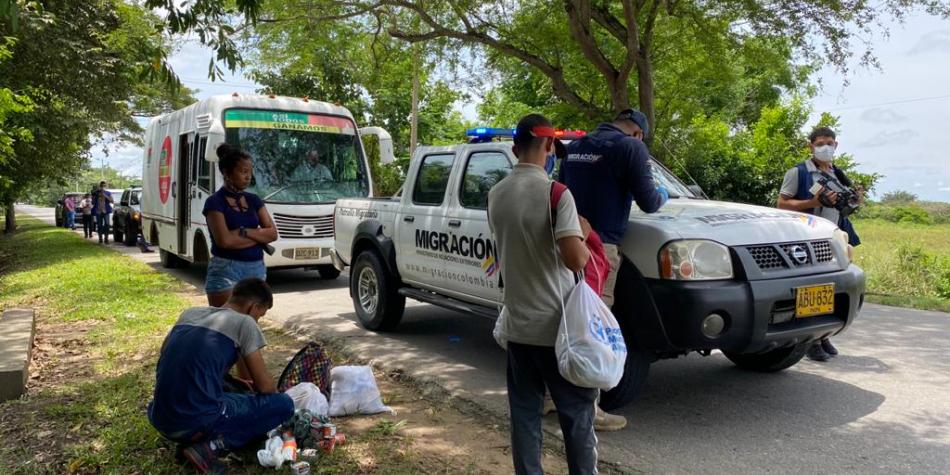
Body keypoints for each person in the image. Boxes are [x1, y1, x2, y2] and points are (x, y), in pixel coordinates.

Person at [489, 113, 598, 475]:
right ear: (550, 145)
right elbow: (574, 260)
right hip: (557, 331)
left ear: (515, 147)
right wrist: (581, 232)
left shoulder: (496, 194)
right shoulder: (557, 194)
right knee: (577, 419)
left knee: (524, 418)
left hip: (518, 328)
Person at [557, 108, 668, 430]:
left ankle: (554, 397)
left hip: (566, 242)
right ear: (637, 132)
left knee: (565, 320)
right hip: (598, 250)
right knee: (593, 326)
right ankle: (588, 410)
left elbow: (561, 193)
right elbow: (649, 201)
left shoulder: (576, 147)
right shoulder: (631, 148)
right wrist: (661, 192)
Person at [147, 278, 292, 474]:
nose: (258, 321)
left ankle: (191, 442)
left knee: (236, 393)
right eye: (260, 315)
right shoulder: (245, 323)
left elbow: (170, 357)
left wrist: (229, 381)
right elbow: (265, 388)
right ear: (253, 306)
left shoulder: (190, 313)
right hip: (195, 421)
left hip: (160, 417)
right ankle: (209, 447)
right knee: (283, 404)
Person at [778, 126, 861, 362]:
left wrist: (854, 201)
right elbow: (782, 204)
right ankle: (810, 340)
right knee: (811, 290)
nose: (825, 147)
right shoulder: (799, 172)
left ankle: (823, 336)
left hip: (834, 238)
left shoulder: (838, 173)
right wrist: (812, 201)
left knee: (831, 289)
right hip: (807, 240)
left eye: (829, 143)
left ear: (836, 145)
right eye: (820, 143)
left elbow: (844, 206)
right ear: (811, 146)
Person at [203, 143, 278, 307]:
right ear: (226, 173)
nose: (248, 177)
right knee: (223, 322)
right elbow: (224, 241)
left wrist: (243, 232)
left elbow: (272, 234)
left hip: (256, 269)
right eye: (243, 172)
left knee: (250, 324)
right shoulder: (214, 202)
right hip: (225, 269)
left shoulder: (254, 200)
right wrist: (258, 237)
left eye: (250, 172)